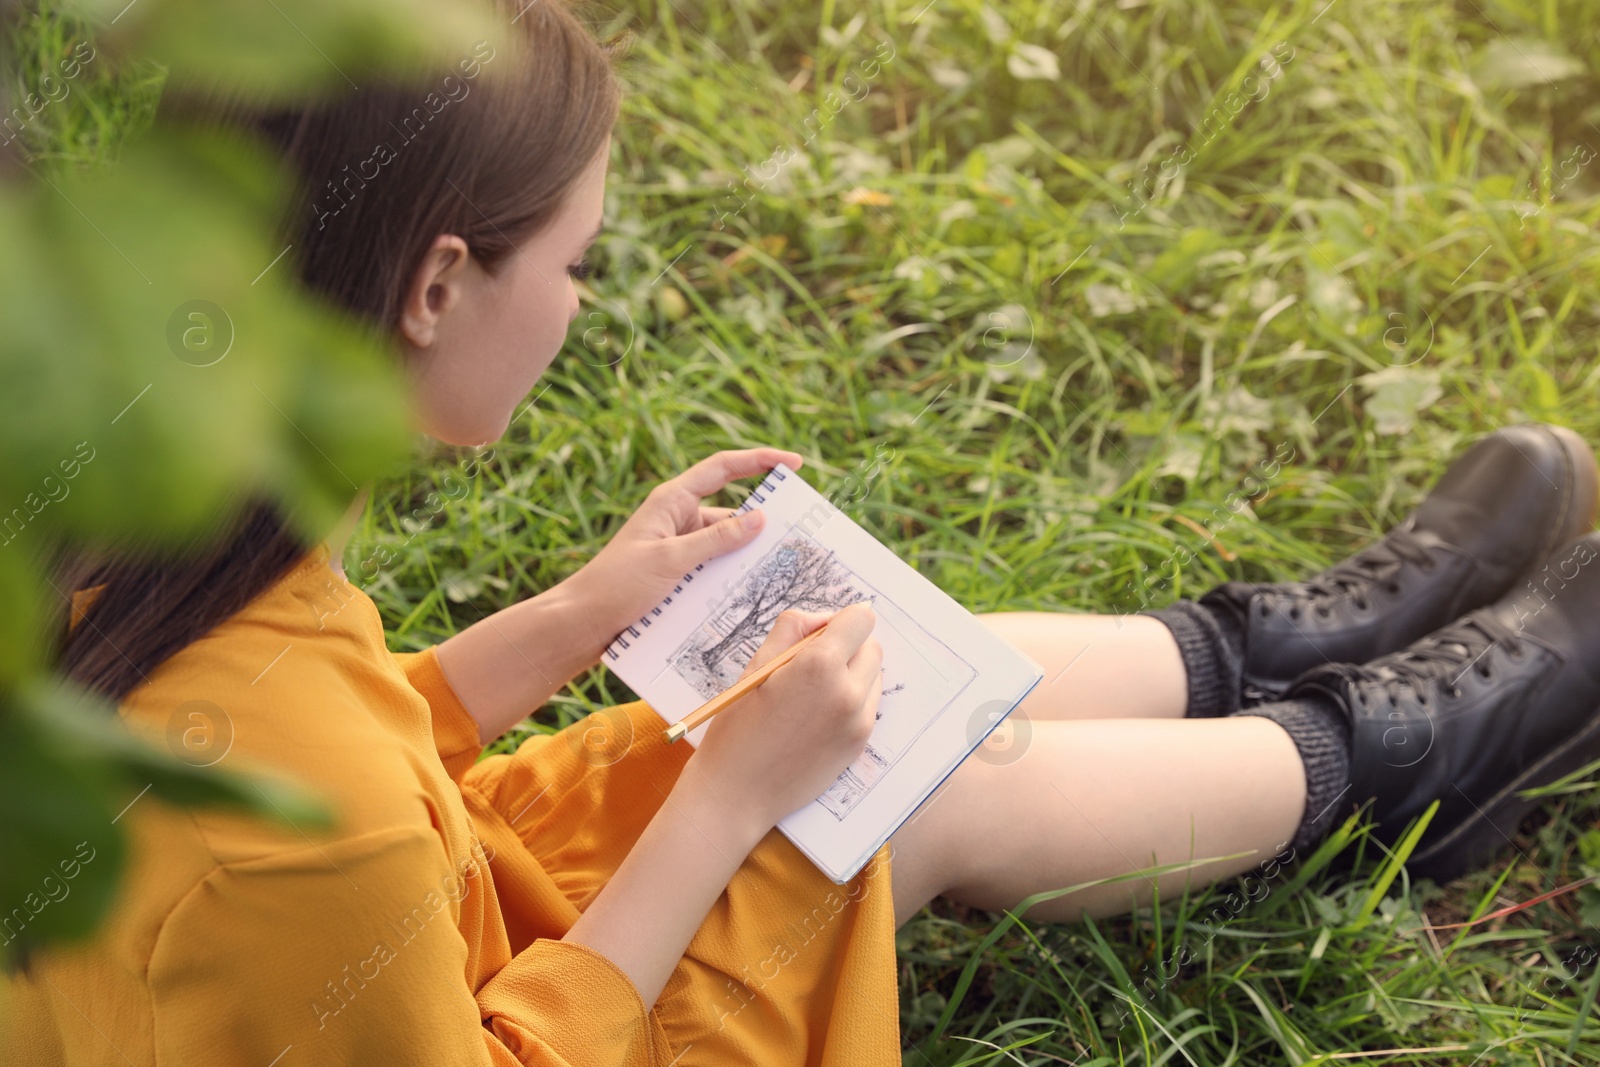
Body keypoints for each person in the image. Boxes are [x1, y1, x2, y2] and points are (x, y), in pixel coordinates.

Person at [8, 2, 1600, 1063]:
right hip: (515, 1016)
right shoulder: (325, 815)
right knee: (885, 792)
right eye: (574, 265)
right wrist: (728, 802)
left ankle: (1301, 647)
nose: (577, 306)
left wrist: (582, 610)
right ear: (434, 286)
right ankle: (1425, 748)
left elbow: (306, 742)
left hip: (420, 942)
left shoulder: (126, 533)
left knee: (874, 696)